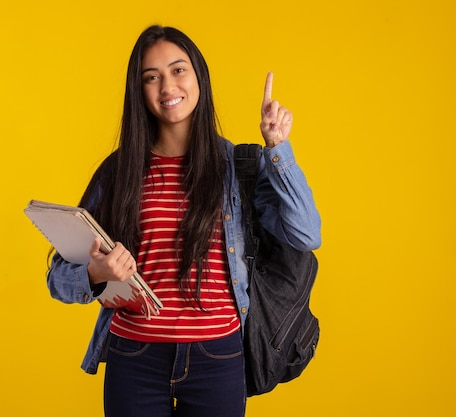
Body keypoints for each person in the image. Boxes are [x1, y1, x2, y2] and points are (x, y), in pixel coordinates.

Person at [46, 25, 321, 417]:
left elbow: (305, 233)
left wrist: (278, 148)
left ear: (199, 78)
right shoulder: (119, 171)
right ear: (138, 91)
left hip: (219, 355)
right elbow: (57, 276)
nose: (166, 86)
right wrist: (95, 273)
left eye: (178, 70)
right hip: (134, 355)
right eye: (151, 77)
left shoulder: (239, 166)